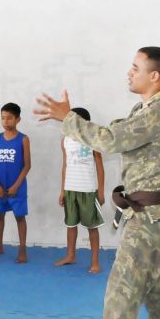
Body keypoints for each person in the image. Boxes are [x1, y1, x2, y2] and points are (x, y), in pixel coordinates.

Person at [36, 46, 160, 319]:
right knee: (155, 284)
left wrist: (69, 117)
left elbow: (109, 140)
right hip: (158, 212)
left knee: (123, 285)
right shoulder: (145, 108)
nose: (129, 72)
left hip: (151, 215)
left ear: (154, 76)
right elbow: (115, 133)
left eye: (136, 68)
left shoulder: (157, 113)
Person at [54, 107, 106, 274]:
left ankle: (95, 262)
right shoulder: (65, 140)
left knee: (92, 227)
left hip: (88, 190)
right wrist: (62, 191)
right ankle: (70, 255)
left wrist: (101, 191)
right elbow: (65, 166)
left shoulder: (92, 140)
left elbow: (100, 166)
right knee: (71, 225)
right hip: (71, 189)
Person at [0, 103, 31, 263]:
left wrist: (16, 185)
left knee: (20, 217)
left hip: (17, 187)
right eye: (3, 118)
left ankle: (22, 248)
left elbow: (27, 165)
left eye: (9, 118)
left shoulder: (23, 139)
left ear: (18, 119)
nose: (6, 121)